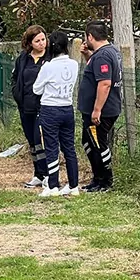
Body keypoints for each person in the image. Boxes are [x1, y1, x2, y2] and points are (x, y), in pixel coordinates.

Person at [32, 31, 80, 197]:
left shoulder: (48, 67)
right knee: (69, 148)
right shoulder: (74, 64)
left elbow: (36, 89)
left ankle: (53, 185)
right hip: (67, 108)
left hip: (50, 109)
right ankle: (74, 185)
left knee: (52, 147)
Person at [77, 20, 123, 193]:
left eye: (85, 36)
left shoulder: (103, 55)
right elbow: (98, 70)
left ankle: (106, 181)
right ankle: (97, 178)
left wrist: (97, 110)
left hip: (101, 112)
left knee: (99, 144)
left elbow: (104, 83)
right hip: (98, 110)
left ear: (90, 36)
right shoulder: (108, 52)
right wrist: (88, 56)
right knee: (88, 142)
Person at [11, 25, 49, 189]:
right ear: (30, 43)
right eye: (37, 41)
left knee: (40, 139)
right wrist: (16, 93)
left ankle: (48, 173)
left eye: (43, 39)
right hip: (25, 106)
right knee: (31, 142)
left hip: (43, 107)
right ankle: (38, 174)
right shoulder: (23, 58)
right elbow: (15, 78)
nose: (41, 43)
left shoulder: (50, 58)